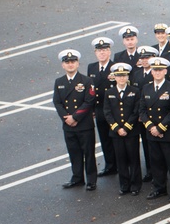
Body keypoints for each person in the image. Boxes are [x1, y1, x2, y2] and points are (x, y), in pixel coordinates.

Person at [140, 56, 170, 201]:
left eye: (160, 70)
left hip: (168, 133)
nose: (157, 72)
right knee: (156, 162)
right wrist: (151, 127)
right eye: (154, 70)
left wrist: (160, 128)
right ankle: (159, 188)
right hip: (152, 132)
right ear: (151, 72)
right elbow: (142, 110)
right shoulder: (146, 88)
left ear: (165, 71)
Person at [53, 49, 98, 191]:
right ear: (63, 65)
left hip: (84, 124)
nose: (70, 64)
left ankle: (91, 180)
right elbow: (57, 102)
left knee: (89, 153)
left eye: (73, 62)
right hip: (68, 125)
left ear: (78, 63)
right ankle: (77, 177)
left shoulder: (86, 81)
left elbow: (89, 101)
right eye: (67, 62)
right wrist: (66, 118)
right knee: (74, 152)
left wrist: (75, 117)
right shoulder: (59, 82)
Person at [103, 63, 143, 195]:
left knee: (133, 158)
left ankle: (135, 185)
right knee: (121, 159)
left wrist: (126, 127)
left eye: (124, 76)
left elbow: (136, 111)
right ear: (114, 77)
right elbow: (107, 112)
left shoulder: (134, 91)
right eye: (118, 76)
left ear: (127, 77)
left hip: (131, 131)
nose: (121, 78)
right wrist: (116, 128)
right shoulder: (109, 92)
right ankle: (124, 184)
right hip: (116, 133)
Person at [87, 37, 117, 177]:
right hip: (99, 109)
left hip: (113, 110)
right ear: (95, 53)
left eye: (105, 50)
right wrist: (92, 109)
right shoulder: (91, 67)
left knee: (116, 139)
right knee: (104, 139)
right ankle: (109, 165)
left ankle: (121, 165)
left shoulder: (116, 67)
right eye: (99, 51)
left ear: (109, 52)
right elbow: (91, 90)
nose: (102, 53)